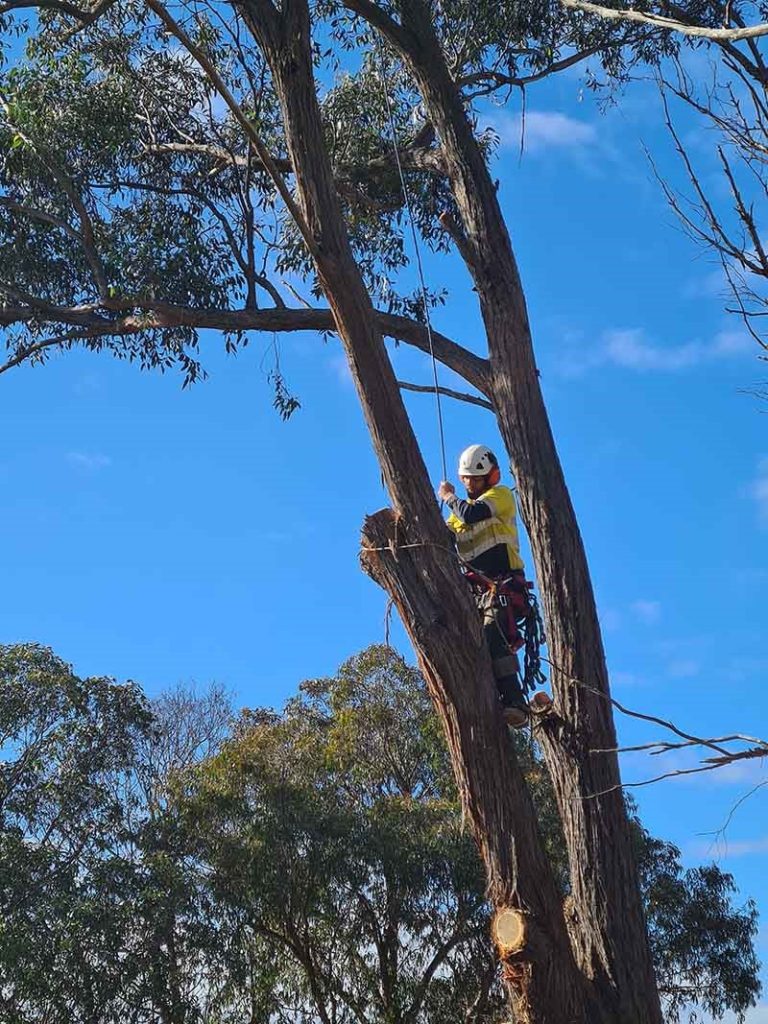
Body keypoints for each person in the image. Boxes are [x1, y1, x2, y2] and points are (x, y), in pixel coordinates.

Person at [438, 445, 529, 728]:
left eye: (475, 479)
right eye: (466, 479)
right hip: (475, 595)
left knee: (493, 633)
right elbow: (445, 535)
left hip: (503, 588)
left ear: (490, 477)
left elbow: (472, 514)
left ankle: (515, 702)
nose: (469, 485)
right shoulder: (456, 517)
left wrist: (448, 496)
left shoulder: (500, 497)